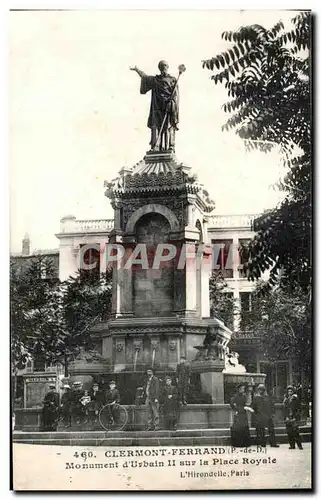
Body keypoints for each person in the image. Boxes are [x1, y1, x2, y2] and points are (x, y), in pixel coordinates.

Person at [130, 61, 179, 151]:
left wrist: (172, 103)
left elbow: (175, 95)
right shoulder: (156, 79)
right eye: (161, 66)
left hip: (168, 107)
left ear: (167, 67)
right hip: (157, 107)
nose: (163, 68)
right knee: (156, 126)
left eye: (164, 66)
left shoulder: (173, 80)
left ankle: (170, 146)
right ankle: (156, 146)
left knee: (169, 126)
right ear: (159, 68)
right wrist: (137, 70)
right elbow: (145, 77)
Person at [230, 383, 252, 448]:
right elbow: (231, 404)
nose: (243, 390)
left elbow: (245, 404)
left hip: (243, 413)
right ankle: (238, 443)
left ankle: (245, 443)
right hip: (239, 413)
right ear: (239, 389)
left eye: (243, 389)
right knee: (238, 427)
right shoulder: (235, 396)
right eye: (242, 389)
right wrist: (236, 410)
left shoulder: (244, 396)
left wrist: (246, 407)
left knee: (244, 427)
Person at [283, 385, 303, 450]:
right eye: (288, 391)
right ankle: (292, 445)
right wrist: (285, 417)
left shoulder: (295, 399)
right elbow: (284, 410)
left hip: (294, 418)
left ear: (293, 392)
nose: (289, 393)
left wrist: (296, 417)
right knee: (289, 432)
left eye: (291, 391)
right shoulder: (285, 399)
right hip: (288, 418)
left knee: (296, 432)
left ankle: (299, 445)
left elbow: (299, 409)